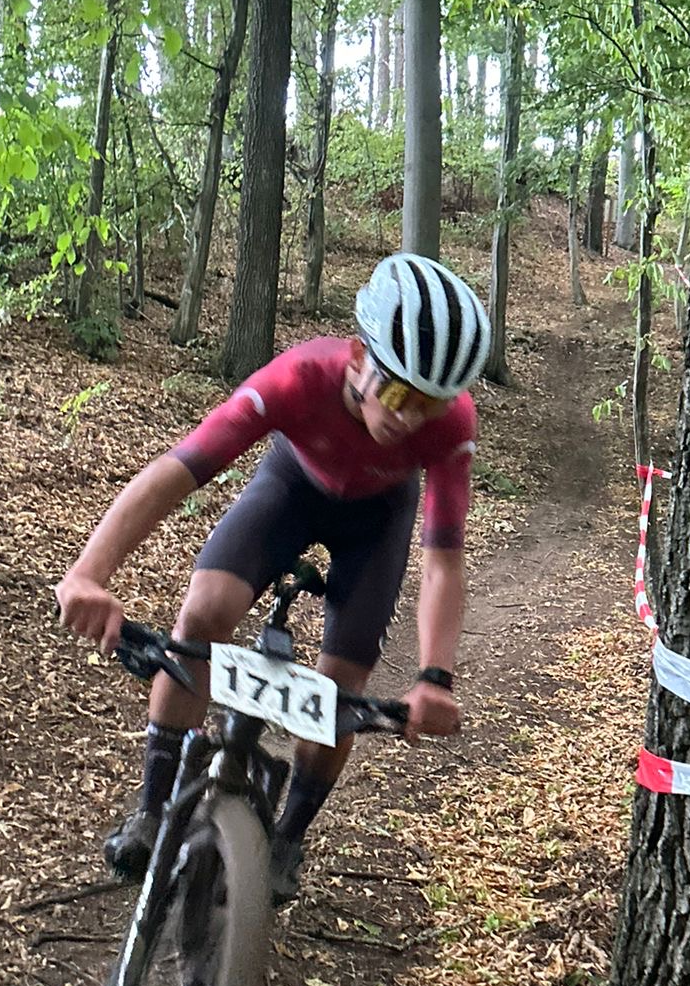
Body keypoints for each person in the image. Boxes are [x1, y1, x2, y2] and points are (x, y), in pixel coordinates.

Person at [54, 252, 492, 904]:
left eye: (429, 404)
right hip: (292, 488)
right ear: (357, 357)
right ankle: (152, 807)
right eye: (399, 392)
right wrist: (89, 573)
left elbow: (443, 557)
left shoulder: (450, 425)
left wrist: (435, 676)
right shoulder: (299, 377)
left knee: (341, 687)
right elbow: (178, 470)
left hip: (378, 522)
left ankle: (287, 839)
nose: (408, 418)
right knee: (203, 616)